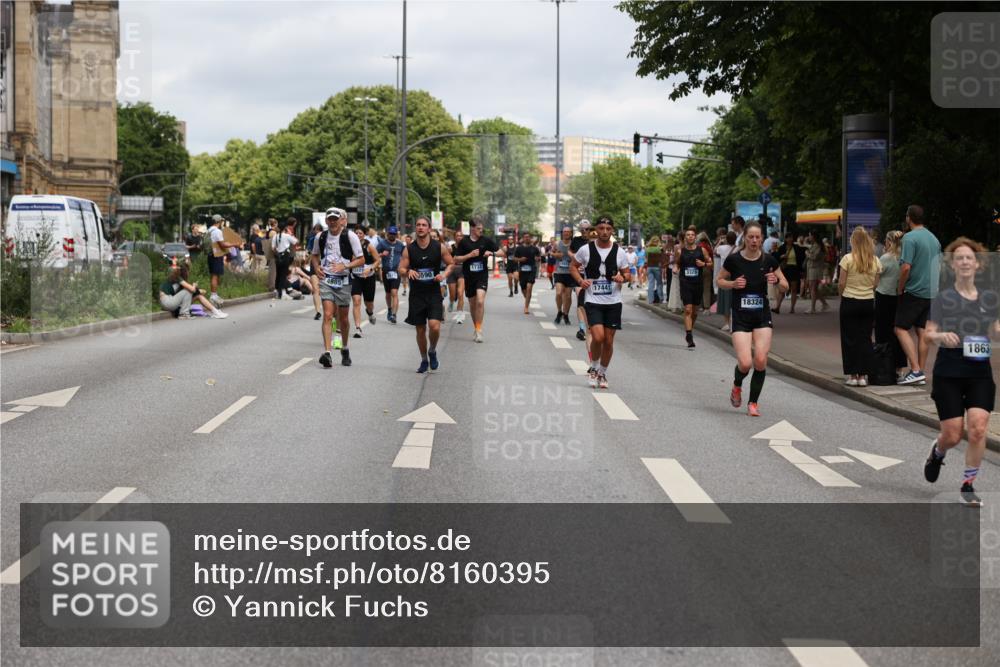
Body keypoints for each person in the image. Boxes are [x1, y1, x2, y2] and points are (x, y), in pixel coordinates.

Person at [923, 237, 997, 508]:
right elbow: (928, 334)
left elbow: (995, 329)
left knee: (978, 430)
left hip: (979, 373)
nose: (965, 262)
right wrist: (942, 334)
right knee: (954, 434)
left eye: (969, 258)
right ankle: (938, 451)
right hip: (949, 373)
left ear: (977, 264)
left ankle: (968, 485)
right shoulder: (944, 298)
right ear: (953, 265)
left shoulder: (990, 299)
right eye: (959, 258)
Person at [717, 220, 788, 416]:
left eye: (758, 237)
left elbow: (785, 286)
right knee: (746, 363)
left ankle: (753, 403)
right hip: (740, 316)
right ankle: (737, 385)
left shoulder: (769, 261)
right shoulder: (734, 260)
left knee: (761, 359)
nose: (754, 241)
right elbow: (720, 280)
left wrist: (777, 281)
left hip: (762, 316)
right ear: (745, 238)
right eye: (751, 237)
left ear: (762, 239)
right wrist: (733, 285)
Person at [570, 216, 630, 389]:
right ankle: (594, 368)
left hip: (613, 301)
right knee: (598, 337)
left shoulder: (619, 251)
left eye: (608, 229)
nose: (604, 232)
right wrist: (581, 281)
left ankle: (602, 373)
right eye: (601, 228)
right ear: (596, 229)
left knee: (609, 341)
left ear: (612, 230)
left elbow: (627, 274)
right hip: (593, 299)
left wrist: (622, 278)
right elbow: (573, 267)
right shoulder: (585, 249)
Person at [397, 216, 455, 373]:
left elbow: (451, 264)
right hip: (417, 294)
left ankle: (432, 350)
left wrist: (444, 275)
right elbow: (400, 269)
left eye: (424, 225)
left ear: (429, 228)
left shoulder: (439, 247)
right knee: (420, 330)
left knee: (434, 327)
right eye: (418, 225)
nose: (420, 227)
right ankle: (424, 359)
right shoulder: (409, 248)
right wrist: (408, 271)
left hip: (434, 292)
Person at [895, 204, 942, 385]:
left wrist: (900, 287)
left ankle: (914, 369)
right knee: (922, 331)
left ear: (909, 218)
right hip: (931, 291)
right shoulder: (934, 239)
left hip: (914, 290)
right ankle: (920, 373)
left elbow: (906, 267)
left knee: (900, 328)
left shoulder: (910, 238)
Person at [311, 207, 364, 368]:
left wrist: (345, 266)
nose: (333, 222)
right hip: (327, 279)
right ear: (326, 221)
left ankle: (345, 347)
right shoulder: (320, 237)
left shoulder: (350, 236)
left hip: (344, 281)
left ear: (341, 220)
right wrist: (317, 267)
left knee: (343, 319)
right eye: (330, 219)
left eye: (336, 219)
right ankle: (327, 353)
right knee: (327, 315)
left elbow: (361, 259)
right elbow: (314, 255)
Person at [838, 226, 882, 386]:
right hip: (868, 301)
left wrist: (842, 294)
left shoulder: (847, 259)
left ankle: (852, 375)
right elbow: (876, 284)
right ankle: (864, 375)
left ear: (853, 242)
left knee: (849, 338)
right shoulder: (875, 260)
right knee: (865, 338)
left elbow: (841, 282)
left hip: (850, 300)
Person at [453, 217, 502, 343]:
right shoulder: (464, 242)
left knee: (480, 301)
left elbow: (502, 252)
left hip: (482, 276)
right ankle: (476, 327)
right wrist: (469, 255)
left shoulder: (486, 241)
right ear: (472, 228)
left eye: (482, 228)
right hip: (469, 277)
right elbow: (456, 259)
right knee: (473, 304)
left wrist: (491, 253)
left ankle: (479, 330)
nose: (481, 230)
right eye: (479, 228)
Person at [875, 230, 907, 378]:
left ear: (889, 242)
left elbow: (876, 276)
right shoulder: (904, 257)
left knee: (882, 330)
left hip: (884, 296)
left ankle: (883, 363)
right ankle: (899, 367)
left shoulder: (886, 258)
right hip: (899, 296)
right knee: (898, 331)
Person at [676, 226, 712, 348]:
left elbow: (711, 264)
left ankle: (690, 327)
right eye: (688, 235)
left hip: (697, 283)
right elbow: (677, 264)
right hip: (685, 282)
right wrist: (676, 269)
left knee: (695, 311)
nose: (690, 236)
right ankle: (689, 335)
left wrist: (704, 264)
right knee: (688, 309)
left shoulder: (702, 250)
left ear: (695, 237)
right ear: (685, 237)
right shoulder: (680, 251)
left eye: (692, 235)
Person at [159, 265, 228, 319]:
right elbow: (191, 289)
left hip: (169, 302)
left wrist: (197, 290)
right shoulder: (177, 278)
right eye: (188, 271)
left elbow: (183, 294)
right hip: (168, 302)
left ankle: (215, 311)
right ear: (184, 272)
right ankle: (184, 314)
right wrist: (194, 286)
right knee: (188, 290)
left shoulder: (177, 280)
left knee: (198, 296)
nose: (188, 273)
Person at [350, 223, 381, 338]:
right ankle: (358, 328)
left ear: (364, 235)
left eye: (360, 233)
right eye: (356, 233)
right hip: (356, 277)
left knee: (369, 303)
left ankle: (370, 312)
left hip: (368, 277)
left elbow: (378, 260)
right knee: (356, 300)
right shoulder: (350, 246)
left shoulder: (369, 246)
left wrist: (371, 268)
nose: (358, 235)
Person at [206, 214, 236, 308]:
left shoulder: (209, 230)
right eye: (221, 221)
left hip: (210, 254)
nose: (222, 223)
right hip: (216, 255)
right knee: (215, 275)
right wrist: (234, 244)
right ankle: (213, 295)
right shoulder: (217, 231)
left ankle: (214, 294)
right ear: (219, 222)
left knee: (213, 275)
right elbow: (222, 244)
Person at [377, 226, 406, 324]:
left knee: (394, 292)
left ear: (396, 235)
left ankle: (394, 314)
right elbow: (374, 255)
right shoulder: (382, 243)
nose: (392, 235)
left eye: (394, 234)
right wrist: (381, 255)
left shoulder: (400, 245)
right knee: (388, 294)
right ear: (387, 234)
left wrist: (402, 266)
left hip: (396, 272)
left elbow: (405, 257)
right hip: (386, 271)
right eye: (390, 234)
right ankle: (389, 309)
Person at [571, 221, 593, 341]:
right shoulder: (577, 241)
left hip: (594, 279)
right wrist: (575, 258)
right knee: (580, 301)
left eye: (587, 229)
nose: (585, 231)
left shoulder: (597, 243)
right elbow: (570, 251)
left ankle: (592, 326)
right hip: (580, 276)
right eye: (583, 229)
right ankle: (582, 329)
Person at [774, 233, 805, 314]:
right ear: (785, 239)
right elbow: (776, 257)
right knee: (782, 288)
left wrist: (801, 269)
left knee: (794, 289)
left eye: (791, 238)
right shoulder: (781, 248)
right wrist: (782, 256)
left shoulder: (796, 248)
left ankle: (792, 308)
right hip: (785, 269)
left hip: (794, 269)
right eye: (788, 238)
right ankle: (777, 307)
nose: (790, 239)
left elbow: (801, 257)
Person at [551, 226, 576, 324]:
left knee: (568, 296)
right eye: (564, 232)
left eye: (568, 232)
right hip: (559, 272)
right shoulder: (557, 243)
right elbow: (551, 252)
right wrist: (556, 255)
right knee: (558, 293)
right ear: (562, 233)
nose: (566, 233)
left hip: (570, 273)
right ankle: (559, 312)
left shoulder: (573, 244)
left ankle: (566, 314)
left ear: (571, 233)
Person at [513, 232, 541, 315]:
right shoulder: (519, 248)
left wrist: (537, 259)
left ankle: (526, 307)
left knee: (529, 287)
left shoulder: (535, 248)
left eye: (528, 237)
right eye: (525, 237)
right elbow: (514, 258)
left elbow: (539, 258)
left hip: (532, 270)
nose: (527, 238)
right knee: (523, 289)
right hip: (522, 271)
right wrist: (520, 259)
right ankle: (527, 299)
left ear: (530, 238)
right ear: (523, 238)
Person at [714, 231, 736, 331]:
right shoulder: (737, 248)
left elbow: (714, 251)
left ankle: (727, 323)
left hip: (724, 275)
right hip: (735, 274)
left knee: (725, 300)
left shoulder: (722, 248)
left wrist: (720, 241)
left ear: (726, 239)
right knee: (734, 298)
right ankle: (734, 321)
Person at [272, 217, 299, 299]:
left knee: (278, 274)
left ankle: (277, 292)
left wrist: (277, 253)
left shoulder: (275, 236)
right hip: (285, 257)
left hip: (278, 257)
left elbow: (273, 248)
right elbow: (296, 242)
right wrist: (291, 234)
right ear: (285, 228)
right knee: (283, 275)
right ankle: (283, 293)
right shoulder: (287, 236)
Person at [804, 231, 829, 313]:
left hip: (815, 268)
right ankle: (824, 304)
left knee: (813, 288)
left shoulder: (818, 246)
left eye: (810, 235)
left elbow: (814, 257)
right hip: (812, 268)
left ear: (814, 237)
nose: (809, 237)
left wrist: (807, 253)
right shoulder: (815, 245)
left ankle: (813, 308)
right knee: (814, 289)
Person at [445, 229, 466, 322]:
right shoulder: (451, 248)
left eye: (461, 235)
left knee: (460, 293)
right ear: (455, 237)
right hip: (452, 271)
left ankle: (460, 315)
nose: (459, 237)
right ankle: (451, 301)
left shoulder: (467, 248)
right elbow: (447, 260)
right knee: (453, 294)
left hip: (463, 271)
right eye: (457, 235)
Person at [645, 236, 663, 304]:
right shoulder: (659, 249)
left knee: (651, 284)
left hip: (649, 267)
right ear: (658, 241)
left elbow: (646, 258)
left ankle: (650, 300)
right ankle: (660, 298)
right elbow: (662, 257)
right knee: (659, 283)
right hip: (657, 267)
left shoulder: (647, 249)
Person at [263, 218, 279, 292]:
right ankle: (272, 287)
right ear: (275, 224)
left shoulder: (268, 231)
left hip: (269, 253)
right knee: (273, 270)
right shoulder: (273, 232)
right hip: (272, 253)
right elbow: (274, 243)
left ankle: (271, 285)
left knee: (271, 269)